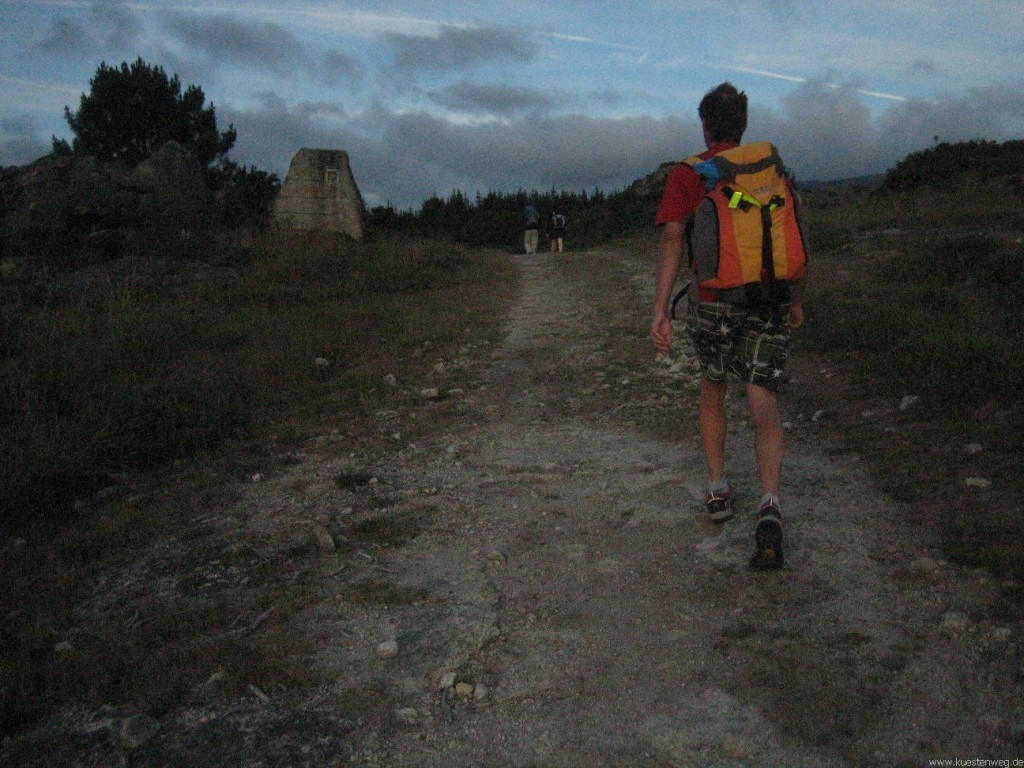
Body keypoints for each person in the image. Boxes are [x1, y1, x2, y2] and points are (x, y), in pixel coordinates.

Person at [650, 82, 807, 569]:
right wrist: (796, 299)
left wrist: (660, 310)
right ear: (742, 126)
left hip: (714, 299)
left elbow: (674, 241)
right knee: (762, 396)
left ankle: (718, 490)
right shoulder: (770, 169)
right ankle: (770, 504)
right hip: (770, 297)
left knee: (713, 387)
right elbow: (793, 229)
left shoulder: (689, 173)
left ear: (704, 124)